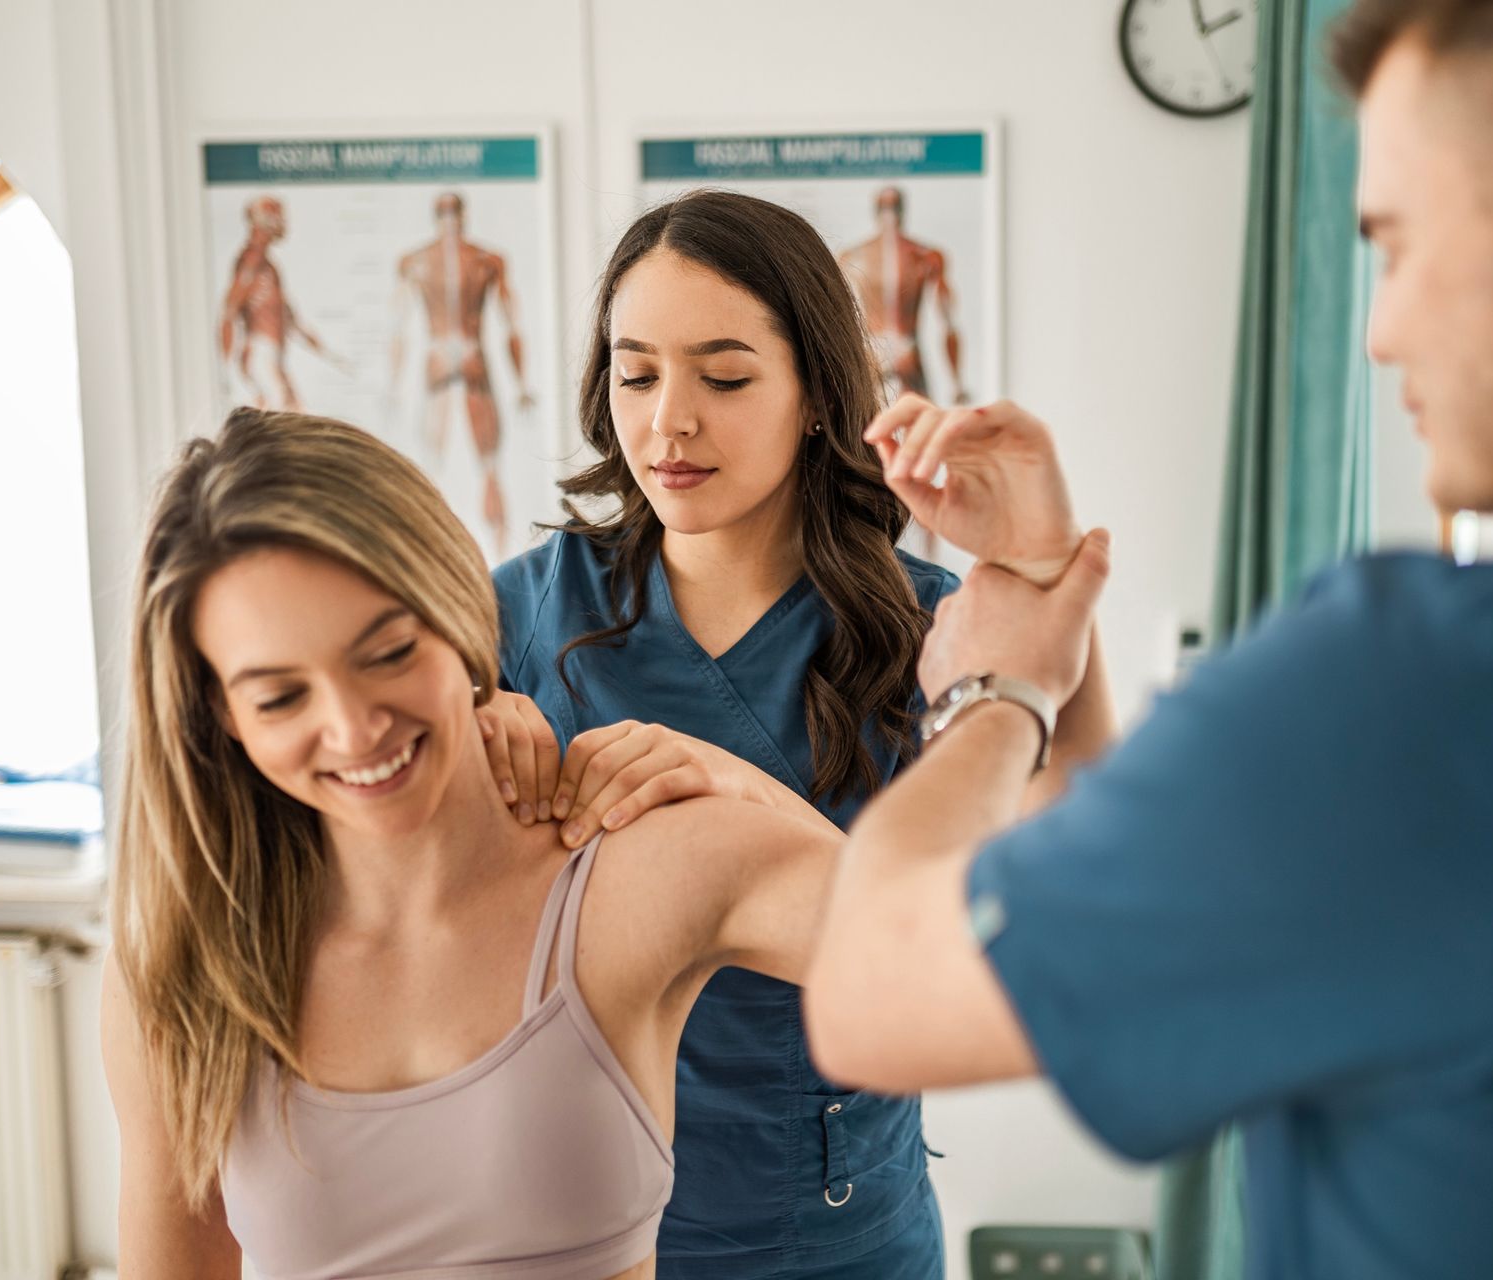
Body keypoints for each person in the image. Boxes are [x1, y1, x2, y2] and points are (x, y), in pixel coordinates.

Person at [803, 2, 1493, 1277]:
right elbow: (1190, 883)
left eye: (1397, 242)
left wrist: (996, 690)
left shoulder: (1446, 691)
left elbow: (874, 989)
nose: (1382, 329)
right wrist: (1047, 592)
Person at [482, 189, 1116, 1278]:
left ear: (818, 394)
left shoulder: (928, 619)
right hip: (588, 1221)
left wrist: (1041, 574)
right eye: (636, 373)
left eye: (723, 376)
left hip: (846, 1226)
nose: (668, 421)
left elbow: (1081, 863)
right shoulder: (521, 614)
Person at [100, 408, 840, 1280]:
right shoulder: (183, 963)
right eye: (279, 698)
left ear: (458, 615)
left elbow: (973, 954)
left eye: (386, 654)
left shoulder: (633, 871)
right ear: (220, 716)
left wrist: (745, 783)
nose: (353, 729)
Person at [391, 191, 537, 558]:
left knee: (461, 465)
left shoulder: (418, 261)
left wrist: (392, 388)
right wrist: (521, 385)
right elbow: (511, 326)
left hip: (442, 356)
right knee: (469, 464)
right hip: (468, 354)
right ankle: (494, 558)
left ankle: (494, 557)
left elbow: (400, 330)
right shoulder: (484, 259)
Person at [836, 186, 967, 404]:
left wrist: (956, 382)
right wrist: (956, 383)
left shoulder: (853, 256)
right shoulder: (923, 255)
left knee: (894, 425)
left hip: (883, 351)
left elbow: (948, 322)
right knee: (891, 424)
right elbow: (948, 322)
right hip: (893, 351)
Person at [218, 196, 341, 411]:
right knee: (287, 420)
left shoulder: (268, 267)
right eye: (276, 215)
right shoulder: (251, 262)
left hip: (270, 357)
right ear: (261, 220)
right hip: (260, 354)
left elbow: (291, 319)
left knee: (294, 414)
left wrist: (327, 354)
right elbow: (229, 312)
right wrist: (226, 371)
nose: (283, 222)